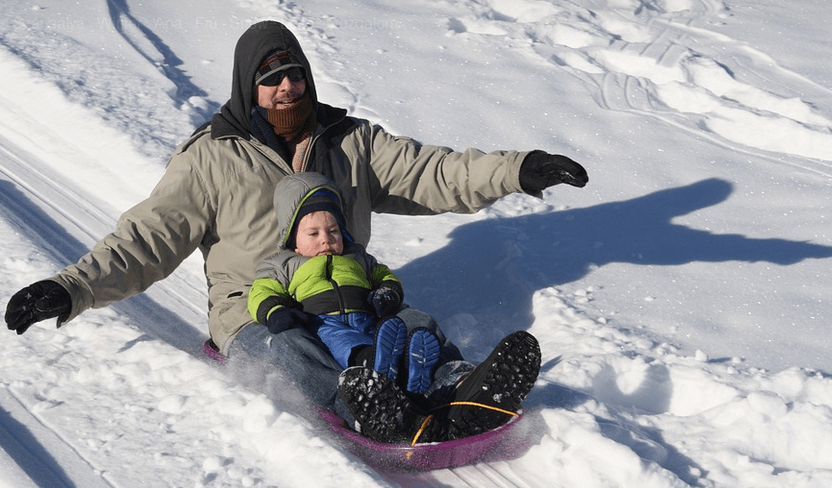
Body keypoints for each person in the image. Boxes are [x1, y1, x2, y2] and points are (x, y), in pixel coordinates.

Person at [4, 20, 587, 439]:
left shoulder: (350, 140)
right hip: (261, 309)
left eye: (294, 74)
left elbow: (432, 171)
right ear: (246, 87)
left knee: (410, 325)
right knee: (288, 348)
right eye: (270, 78)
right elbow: (147, 238)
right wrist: (72, 287)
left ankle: (463, 386)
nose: (286, 87)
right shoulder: (211, 158)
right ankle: (359, 403)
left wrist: (515, 168)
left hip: (348, 292)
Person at [248, 172, 444, 395]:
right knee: (344, 342)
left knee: (406, 327)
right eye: (313, 233)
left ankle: (416, 371)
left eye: (333, 231)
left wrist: (388, 291)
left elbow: (383, 275)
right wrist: (276, 311)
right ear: (294, 242)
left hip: (369, 319)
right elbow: (261, 291)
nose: (326, 239)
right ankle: (373, 369)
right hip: (323, 323)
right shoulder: (282, 265)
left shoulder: (358, 257)